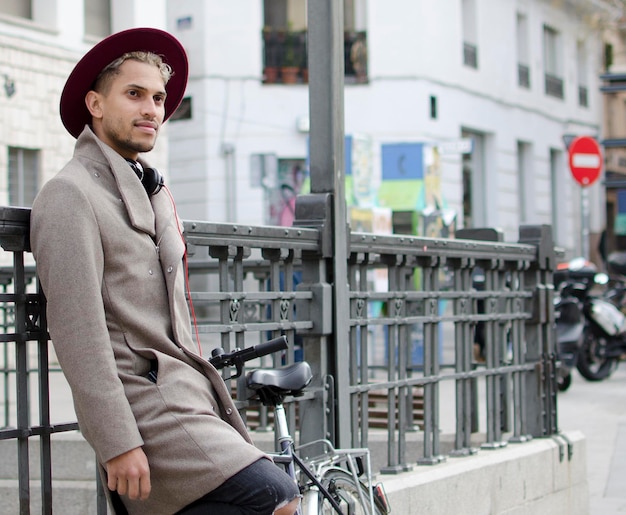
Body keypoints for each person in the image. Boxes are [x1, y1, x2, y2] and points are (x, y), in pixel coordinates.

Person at [30, 27, 300, 515]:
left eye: (158, 97)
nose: (152, 108)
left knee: (277, 493)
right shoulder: (70, 194)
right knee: (272, 493)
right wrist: (116, 441)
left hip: (189, 396)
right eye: (134, 95)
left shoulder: (150, 188)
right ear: (95, 103)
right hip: (143, 408)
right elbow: (77, 332)